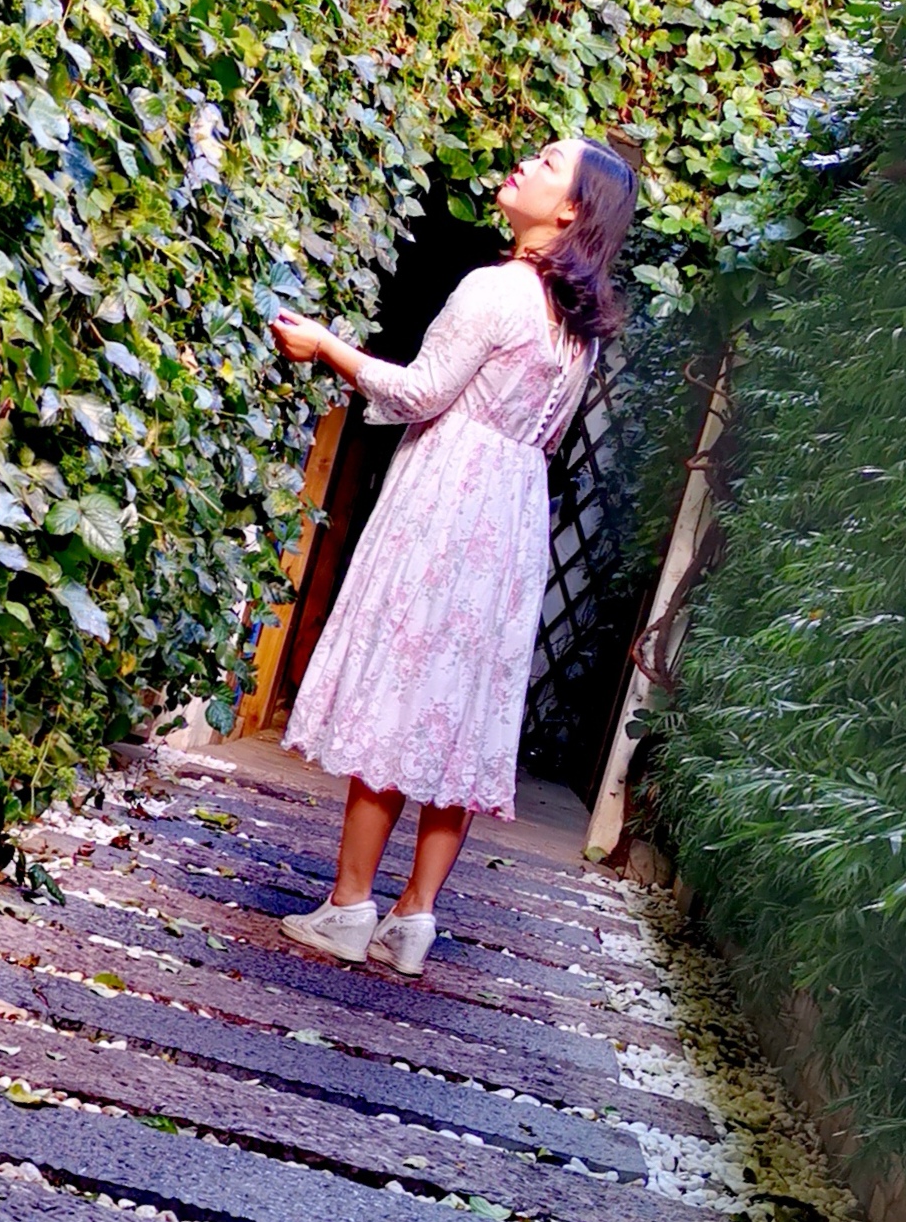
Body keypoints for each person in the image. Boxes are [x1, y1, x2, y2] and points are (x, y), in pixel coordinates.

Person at [265, 136, 638, 975]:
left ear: (569, 210)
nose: (525, 165)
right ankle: (414, 919)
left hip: (445, 501)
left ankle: (348, 906)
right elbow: (546, 438)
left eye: (548, 164)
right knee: (464, 709)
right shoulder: (576, 328)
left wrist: (327, 347)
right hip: (510, 518)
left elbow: (419, 393)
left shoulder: (495, 288)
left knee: (401, 690)